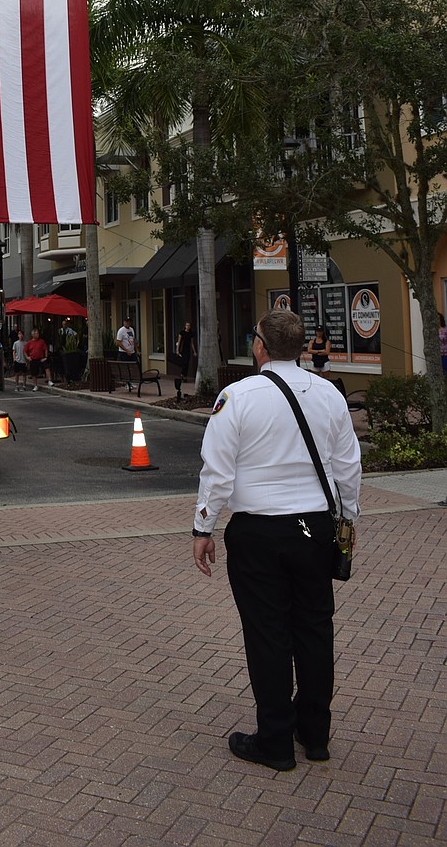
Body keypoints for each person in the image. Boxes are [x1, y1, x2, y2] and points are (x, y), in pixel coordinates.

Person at [192, 308, 361, 772]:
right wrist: (348, 519)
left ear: (260, 346)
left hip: (260, 529)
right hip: (314, 527)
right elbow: (348, 466)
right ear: (302, 347)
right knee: (314, 627)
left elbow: (218, 470)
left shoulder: (238, 396)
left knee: (267, 632)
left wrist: (203, 527)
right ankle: (315, 733)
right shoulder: (328, 393)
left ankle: (275, 739)